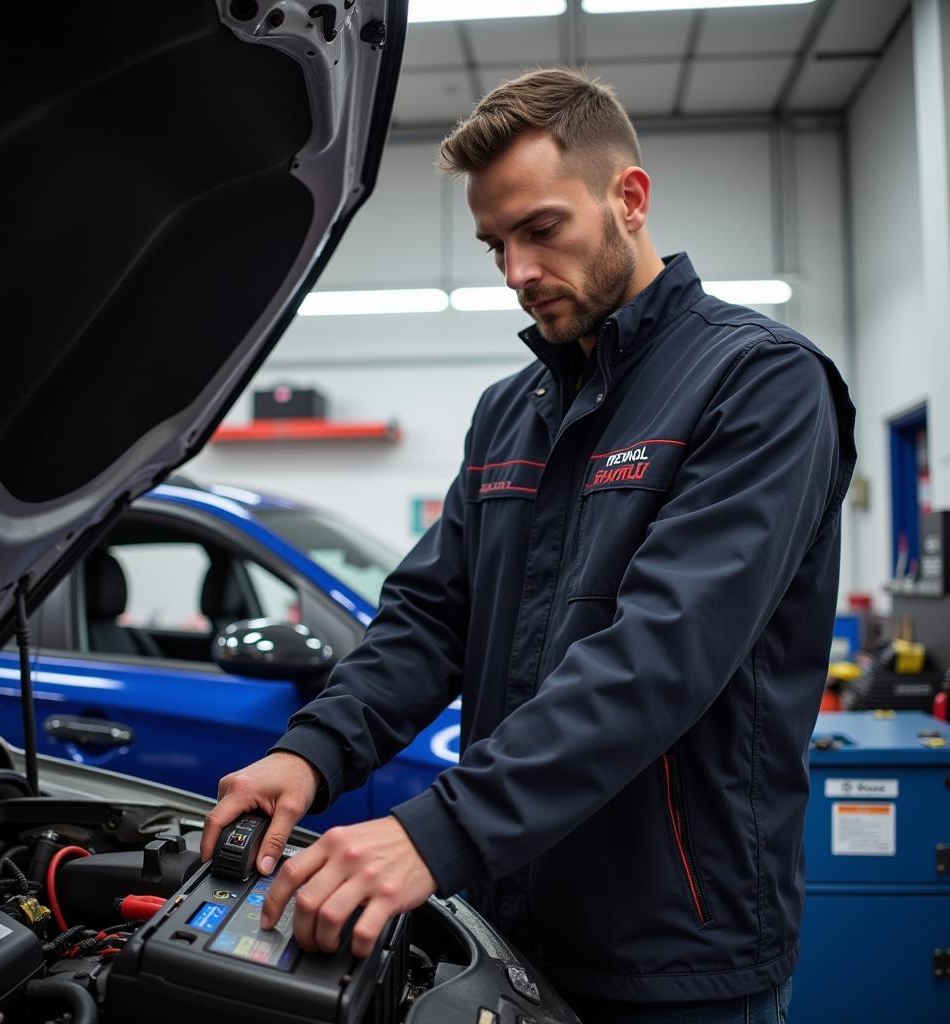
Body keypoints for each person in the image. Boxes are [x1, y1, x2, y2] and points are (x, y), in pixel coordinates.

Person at [201, 68, 856, 1023]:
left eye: (541, 230)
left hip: (676, 951)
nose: (515, 272)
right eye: (495, 244)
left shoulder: (760, 384)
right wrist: (313, 752)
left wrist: (435, 834)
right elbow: (429, 619)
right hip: (509, 921)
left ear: (628, 200)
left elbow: (661, 655)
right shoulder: (511, 413)